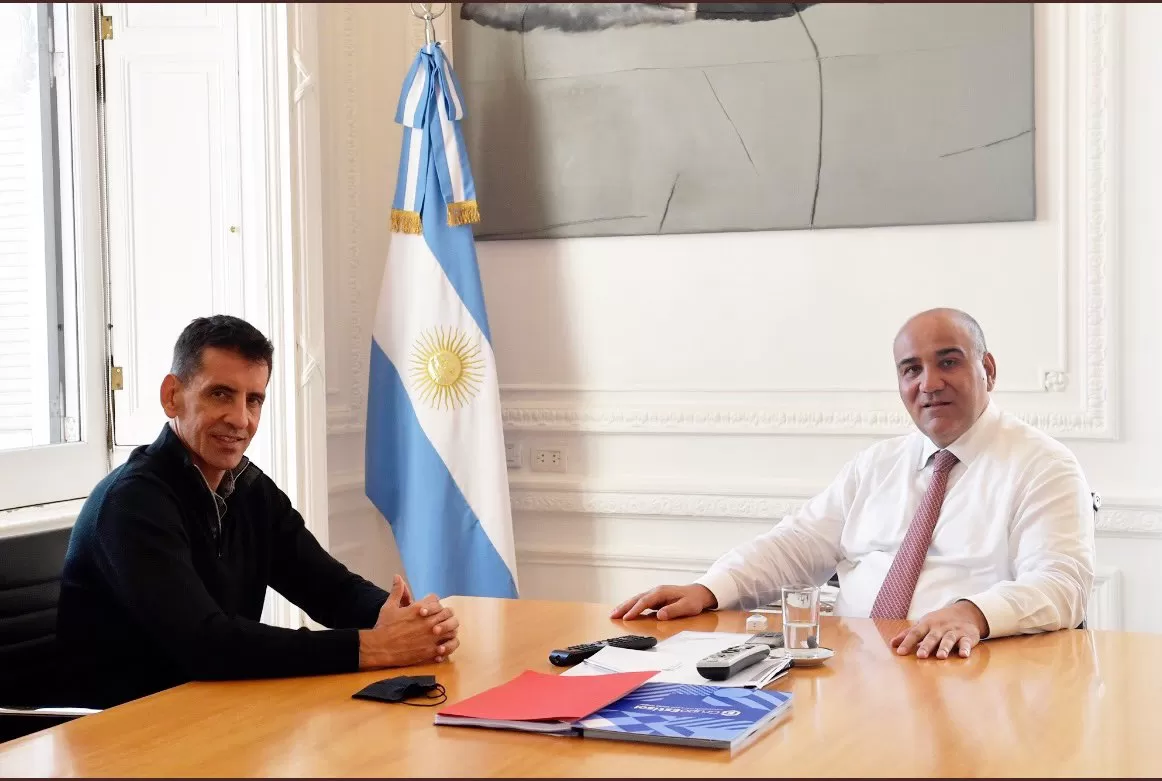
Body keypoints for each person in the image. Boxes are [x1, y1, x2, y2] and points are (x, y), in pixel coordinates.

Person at [612, 308, 1095, 661]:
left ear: (986, 369)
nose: (929, 383)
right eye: (912, 369)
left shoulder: (1044, 465)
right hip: (850, 668)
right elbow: (798, 543)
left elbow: (1060, 584)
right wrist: (710, 588)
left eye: (948, 362)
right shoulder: (877, 464)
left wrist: (973, 613)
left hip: (967, 671)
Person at [57, 316, 459, 708]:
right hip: (125, 734)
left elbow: (329, 588)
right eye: (220, 394)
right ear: (171, 396)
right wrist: (371, 647)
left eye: (254, 400)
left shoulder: (249, 488)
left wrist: (410, 621)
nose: (241, 419)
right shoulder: (132, 503)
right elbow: (205, 644)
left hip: (215, 710)